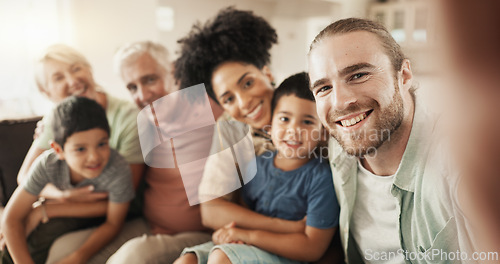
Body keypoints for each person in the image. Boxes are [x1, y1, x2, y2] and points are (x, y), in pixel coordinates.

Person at [307, 18, 459, 263]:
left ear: (404, 75)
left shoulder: (459, 163)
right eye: (323, 88)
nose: (340, 102)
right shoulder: (335, 146)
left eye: (358, 75)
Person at [175, 72, 339, 264]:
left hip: (285, 254)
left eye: (308, 122)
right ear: (270, 126)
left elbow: (312, 248)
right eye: (285, 119)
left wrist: (248, 236)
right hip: (247, 246)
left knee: (221, 258)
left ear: (323, 133)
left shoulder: (321, 177)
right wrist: (232, 235)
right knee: (187, 260)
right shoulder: (256, 166)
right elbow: (243, 215)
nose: (294, 129)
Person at [1, 96, 134, 264]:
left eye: (102, 144)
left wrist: (77, 257)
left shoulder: (117, 167)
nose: (94, 157)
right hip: (63, 210)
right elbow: (11, 218)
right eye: (80, 149)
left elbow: (114, 222)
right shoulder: (47, 164)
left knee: (47, 229)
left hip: (99, 215)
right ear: (58, 150)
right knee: (13, 239)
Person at [17, 44, 144, 198]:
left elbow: (126, 191)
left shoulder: (130, 118)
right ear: (46, 92)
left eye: (76, 69)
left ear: (89, 70)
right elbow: (24, 176)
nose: (72, 81)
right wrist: (61, 196)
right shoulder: (54, 118)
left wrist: (46, 210)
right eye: (59, 78)